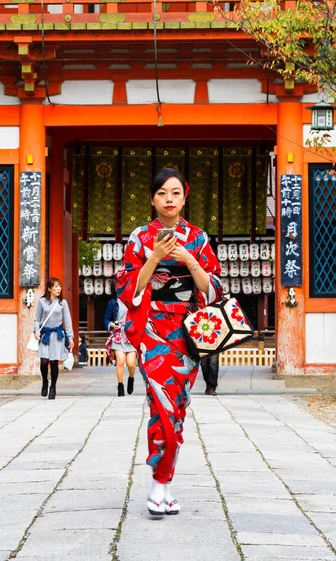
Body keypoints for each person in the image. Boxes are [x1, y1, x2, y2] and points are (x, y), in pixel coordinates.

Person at [116, 167, 222, 516]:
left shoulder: (199, 238)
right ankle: (158, 485)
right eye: (162, 193)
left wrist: (190, 260)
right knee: (160, 404)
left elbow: (214, 289)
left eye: (175, 193)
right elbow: (128, 288)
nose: (169, 199)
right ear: (152, 199)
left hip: (188, 334)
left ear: (184, 196)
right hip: (153, 330)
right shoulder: (139, 238)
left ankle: (164, 485)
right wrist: (155, 258)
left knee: (178, 408)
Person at [34, 277, 74, 400]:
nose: (59, 289)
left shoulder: (63, 303)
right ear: (50, 288)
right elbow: (37, 318)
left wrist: (70, 337)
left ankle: (53, 387)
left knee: (54, 361)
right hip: (45, 334)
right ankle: (45, 381)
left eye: (60, 286)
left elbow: (67, 321)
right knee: (44, 361)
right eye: (56, 286)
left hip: (58, 335)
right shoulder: (42, 302)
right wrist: (36, 331)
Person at [104, 278, 137, 397]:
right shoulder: (112, 303)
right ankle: (120, 386)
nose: (119, 287)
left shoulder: (133, 301)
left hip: (130, 334)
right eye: (116, 286)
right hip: (118, 334)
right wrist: (112, 325)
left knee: (131, 363)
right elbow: (106, 319)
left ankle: (131, 378)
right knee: (121, 361)